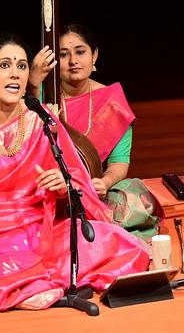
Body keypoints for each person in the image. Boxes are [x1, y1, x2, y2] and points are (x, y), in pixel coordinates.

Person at [0, 34, 151, 311]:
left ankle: (36, 284)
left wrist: (63, 184)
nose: (15, 74)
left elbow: (75, 180)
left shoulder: (39, 117)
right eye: (4, 65)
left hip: (32, 224)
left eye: (22, 66)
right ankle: (35, 284)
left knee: (116, 244)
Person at [54, 24, 163, 240]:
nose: (73, 61)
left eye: (80, 51)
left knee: (137, 198)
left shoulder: (112, 101)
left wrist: (104, 182)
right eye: (64, 55)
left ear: (94, 55)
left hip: (91, 191)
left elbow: (119, 163)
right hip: (50, 188)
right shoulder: (41, 95)